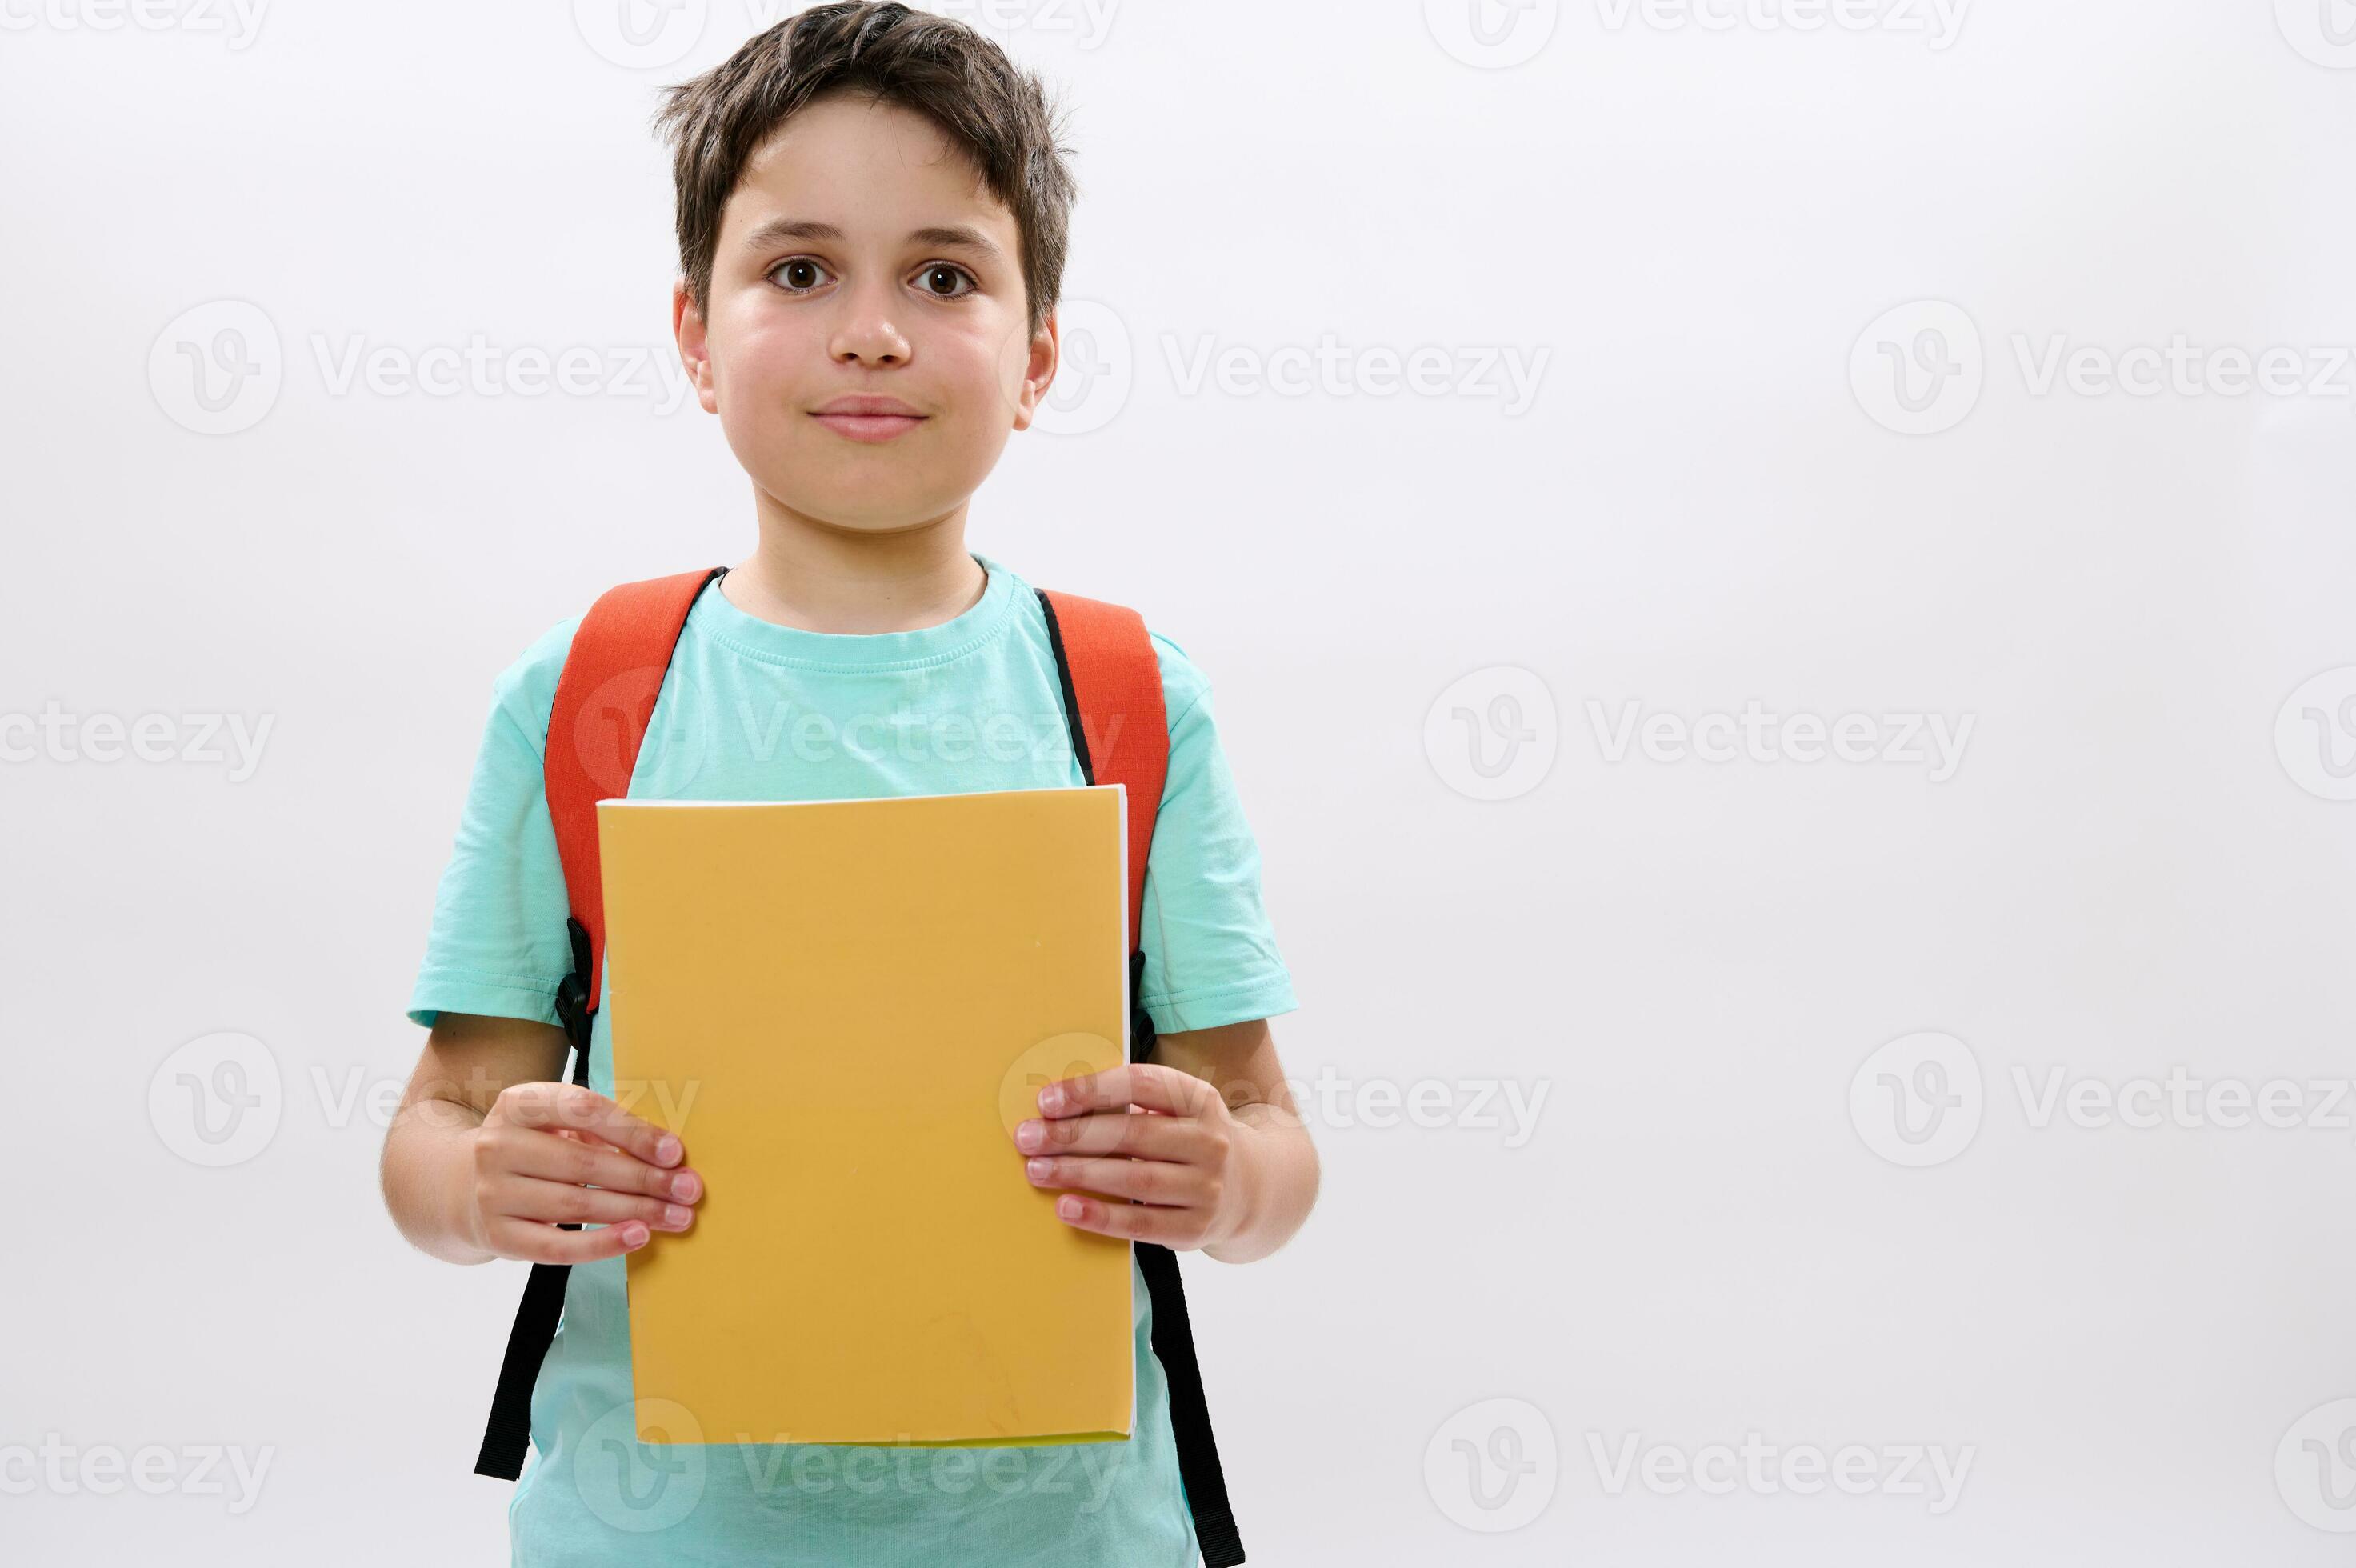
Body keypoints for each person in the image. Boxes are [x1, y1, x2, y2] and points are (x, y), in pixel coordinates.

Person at [376, 5, 1318, 1562]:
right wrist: (488, 1174)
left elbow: (1273, 1135)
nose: (872, 330)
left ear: (1040, 352)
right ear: (696, 332)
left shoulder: (1131, 694)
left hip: (1067, 1533)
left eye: (943, 275)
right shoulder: (593, 687)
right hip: (656, 1532)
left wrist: (1224, 1178)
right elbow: (432, 1136)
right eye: (800, 269)